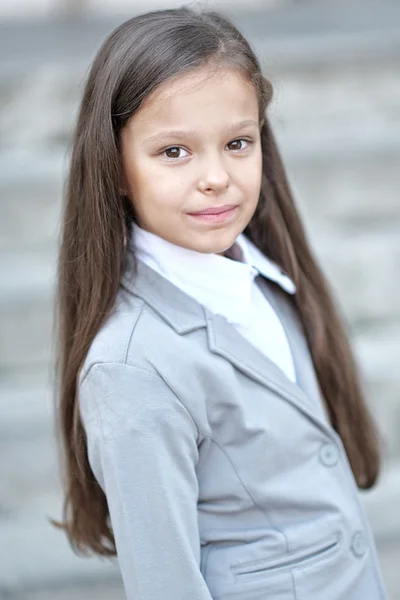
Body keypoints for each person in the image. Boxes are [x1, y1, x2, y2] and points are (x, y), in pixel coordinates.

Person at [53, 6, 389, 600]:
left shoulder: (263, 276)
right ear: (117, 167)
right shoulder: (133, 367)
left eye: (237, 142)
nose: (216, 177)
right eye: (174, 152)